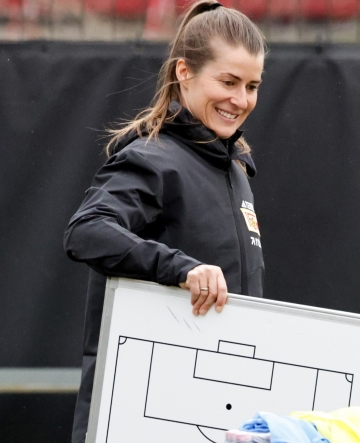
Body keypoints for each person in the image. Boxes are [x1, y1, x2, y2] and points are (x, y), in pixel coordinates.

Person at [63, 2, 266, 442]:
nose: (241, 99)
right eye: (228, 82)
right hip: (141, 419)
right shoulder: (152, 157)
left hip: (218, 414)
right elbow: (86, 231)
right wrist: (182, 268)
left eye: (252, 85)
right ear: (184, 73)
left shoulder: (237, 167)